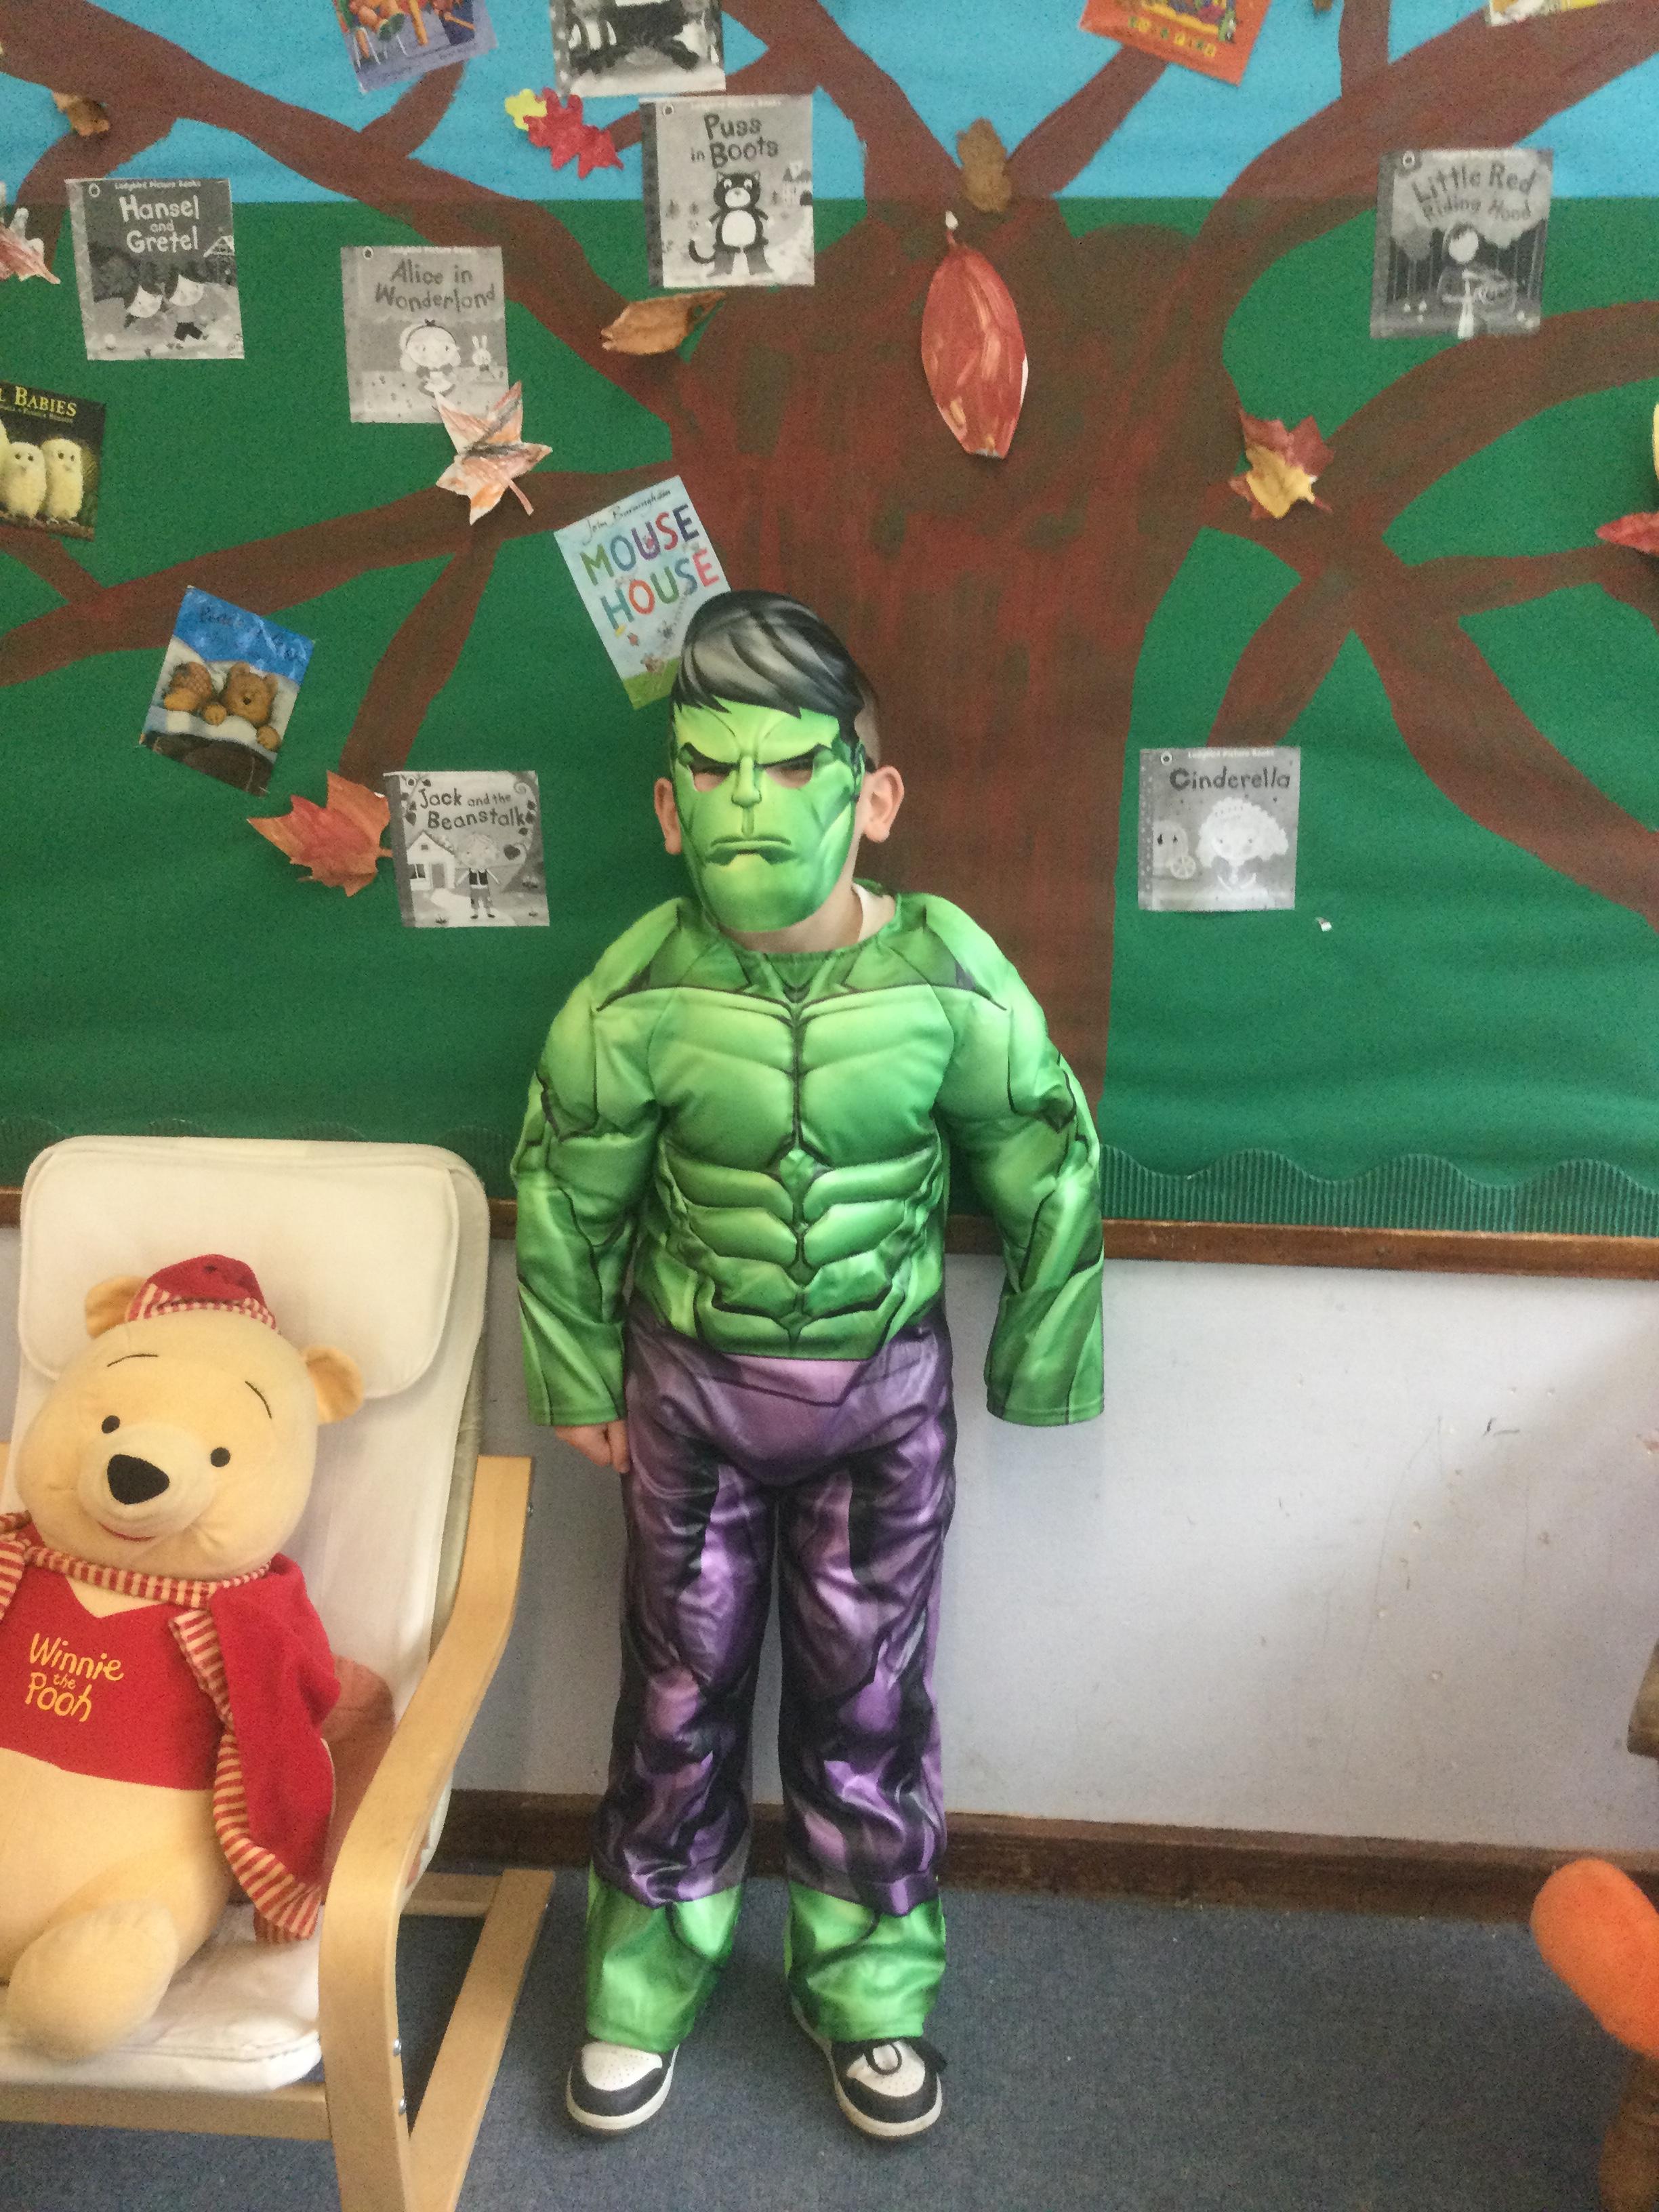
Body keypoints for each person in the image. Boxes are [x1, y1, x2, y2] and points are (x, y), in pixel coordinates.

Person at [514, 590, 1104, 2139]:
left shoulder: (946, 974)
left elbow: (1046, 1149)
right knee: (673, 1698)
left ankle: (871, 1993)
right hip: (689, 1402)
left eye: (788, 767)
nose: (750, 804)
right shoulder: (638, 991)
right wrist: (577, 1379)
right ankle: (640, 1987)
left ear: (872, 794)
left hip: (880, 1405)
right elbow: (564, 1181)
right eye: (714, 771)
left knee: (870, 1705)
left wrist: (1041, 1359)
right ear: (669, 807)